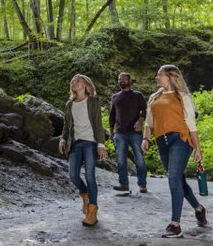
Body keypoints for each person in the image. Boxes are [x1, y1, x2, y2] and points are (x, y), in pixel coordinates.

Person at [144, 64, 208, 238]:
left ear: (170, 77)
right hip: (161, 142)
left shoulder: (183, 97)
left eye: (160, 75)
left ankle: (175, 224)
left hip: (181, 139)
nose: (157, 77)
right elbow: (149, 122)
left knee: (173, 177)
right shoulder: (154, 97)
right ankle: (199, 209)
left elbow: (191, 124)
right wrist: (145, 138)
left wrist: (198, 149)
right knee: (178, 179)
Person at [58, 74, 108, 227]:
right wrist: (63, 138)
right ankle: (85, 193)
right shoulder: (69, 104)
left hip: (90, 143)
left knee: (90, 175)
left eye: (78, 80)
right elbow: (67, 124)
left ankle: (92, 211)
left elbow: (98, 124)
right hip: (75, 143)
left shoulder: (92, 102)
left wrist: (101, 144)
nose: (75, 82)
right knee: (73, 175)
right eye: (73, 80)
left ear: (86, 85)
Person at [108, 71, 148, 195]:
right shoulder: (115, 97)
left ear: (130, 81)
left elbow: (145, 110)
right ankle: (123, 184)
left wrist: (140, 121)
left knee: (139, 159)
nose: (121, 81)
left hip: (135, 133)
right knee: (120, 160)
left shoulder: (138, 95)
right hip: (119, 133)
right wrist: (111, 130)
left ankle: (142, 184)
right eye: (120, 79)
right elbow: (112, 114)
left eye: (124, 79)